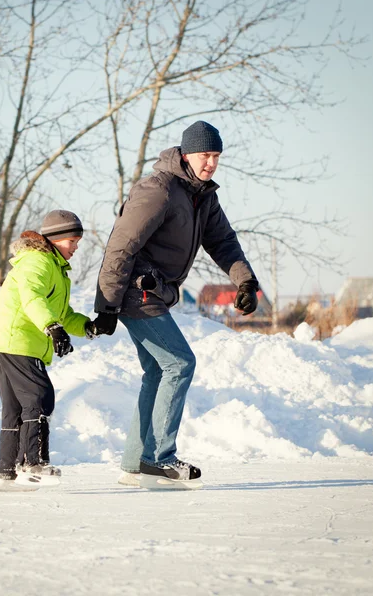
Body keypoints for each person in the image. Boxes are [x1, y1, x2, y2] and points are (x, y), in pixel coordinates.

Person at [91, 120, 259, 489]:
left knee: (158, 371)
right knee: (180, 363)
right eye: (205, 155)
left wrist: (245, 281)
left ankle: (136, 464)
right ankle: (159, 460)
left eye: (216, 156)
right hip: (138, 291)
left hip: (156, 292)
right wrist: (106, 303)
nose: (211, 163)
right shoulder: (159, 189)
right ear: (186, 155)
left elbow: (224, 242)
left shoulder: (203, 196)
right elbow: (122, 244)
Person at [0, 210, 96, 488]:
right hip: (19, 340)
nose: (76, 247)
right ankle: (32, 463)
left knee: (15, 408)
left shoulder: (54, 268)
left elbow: (62, 312)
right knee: (39, 397)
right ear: (56, 239)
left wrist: (88, 327)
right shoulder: (38, 262)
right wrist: (52, 328)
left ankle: (7, 471)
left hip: (9, 341)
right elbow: (32, 298)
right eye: (72, 240)